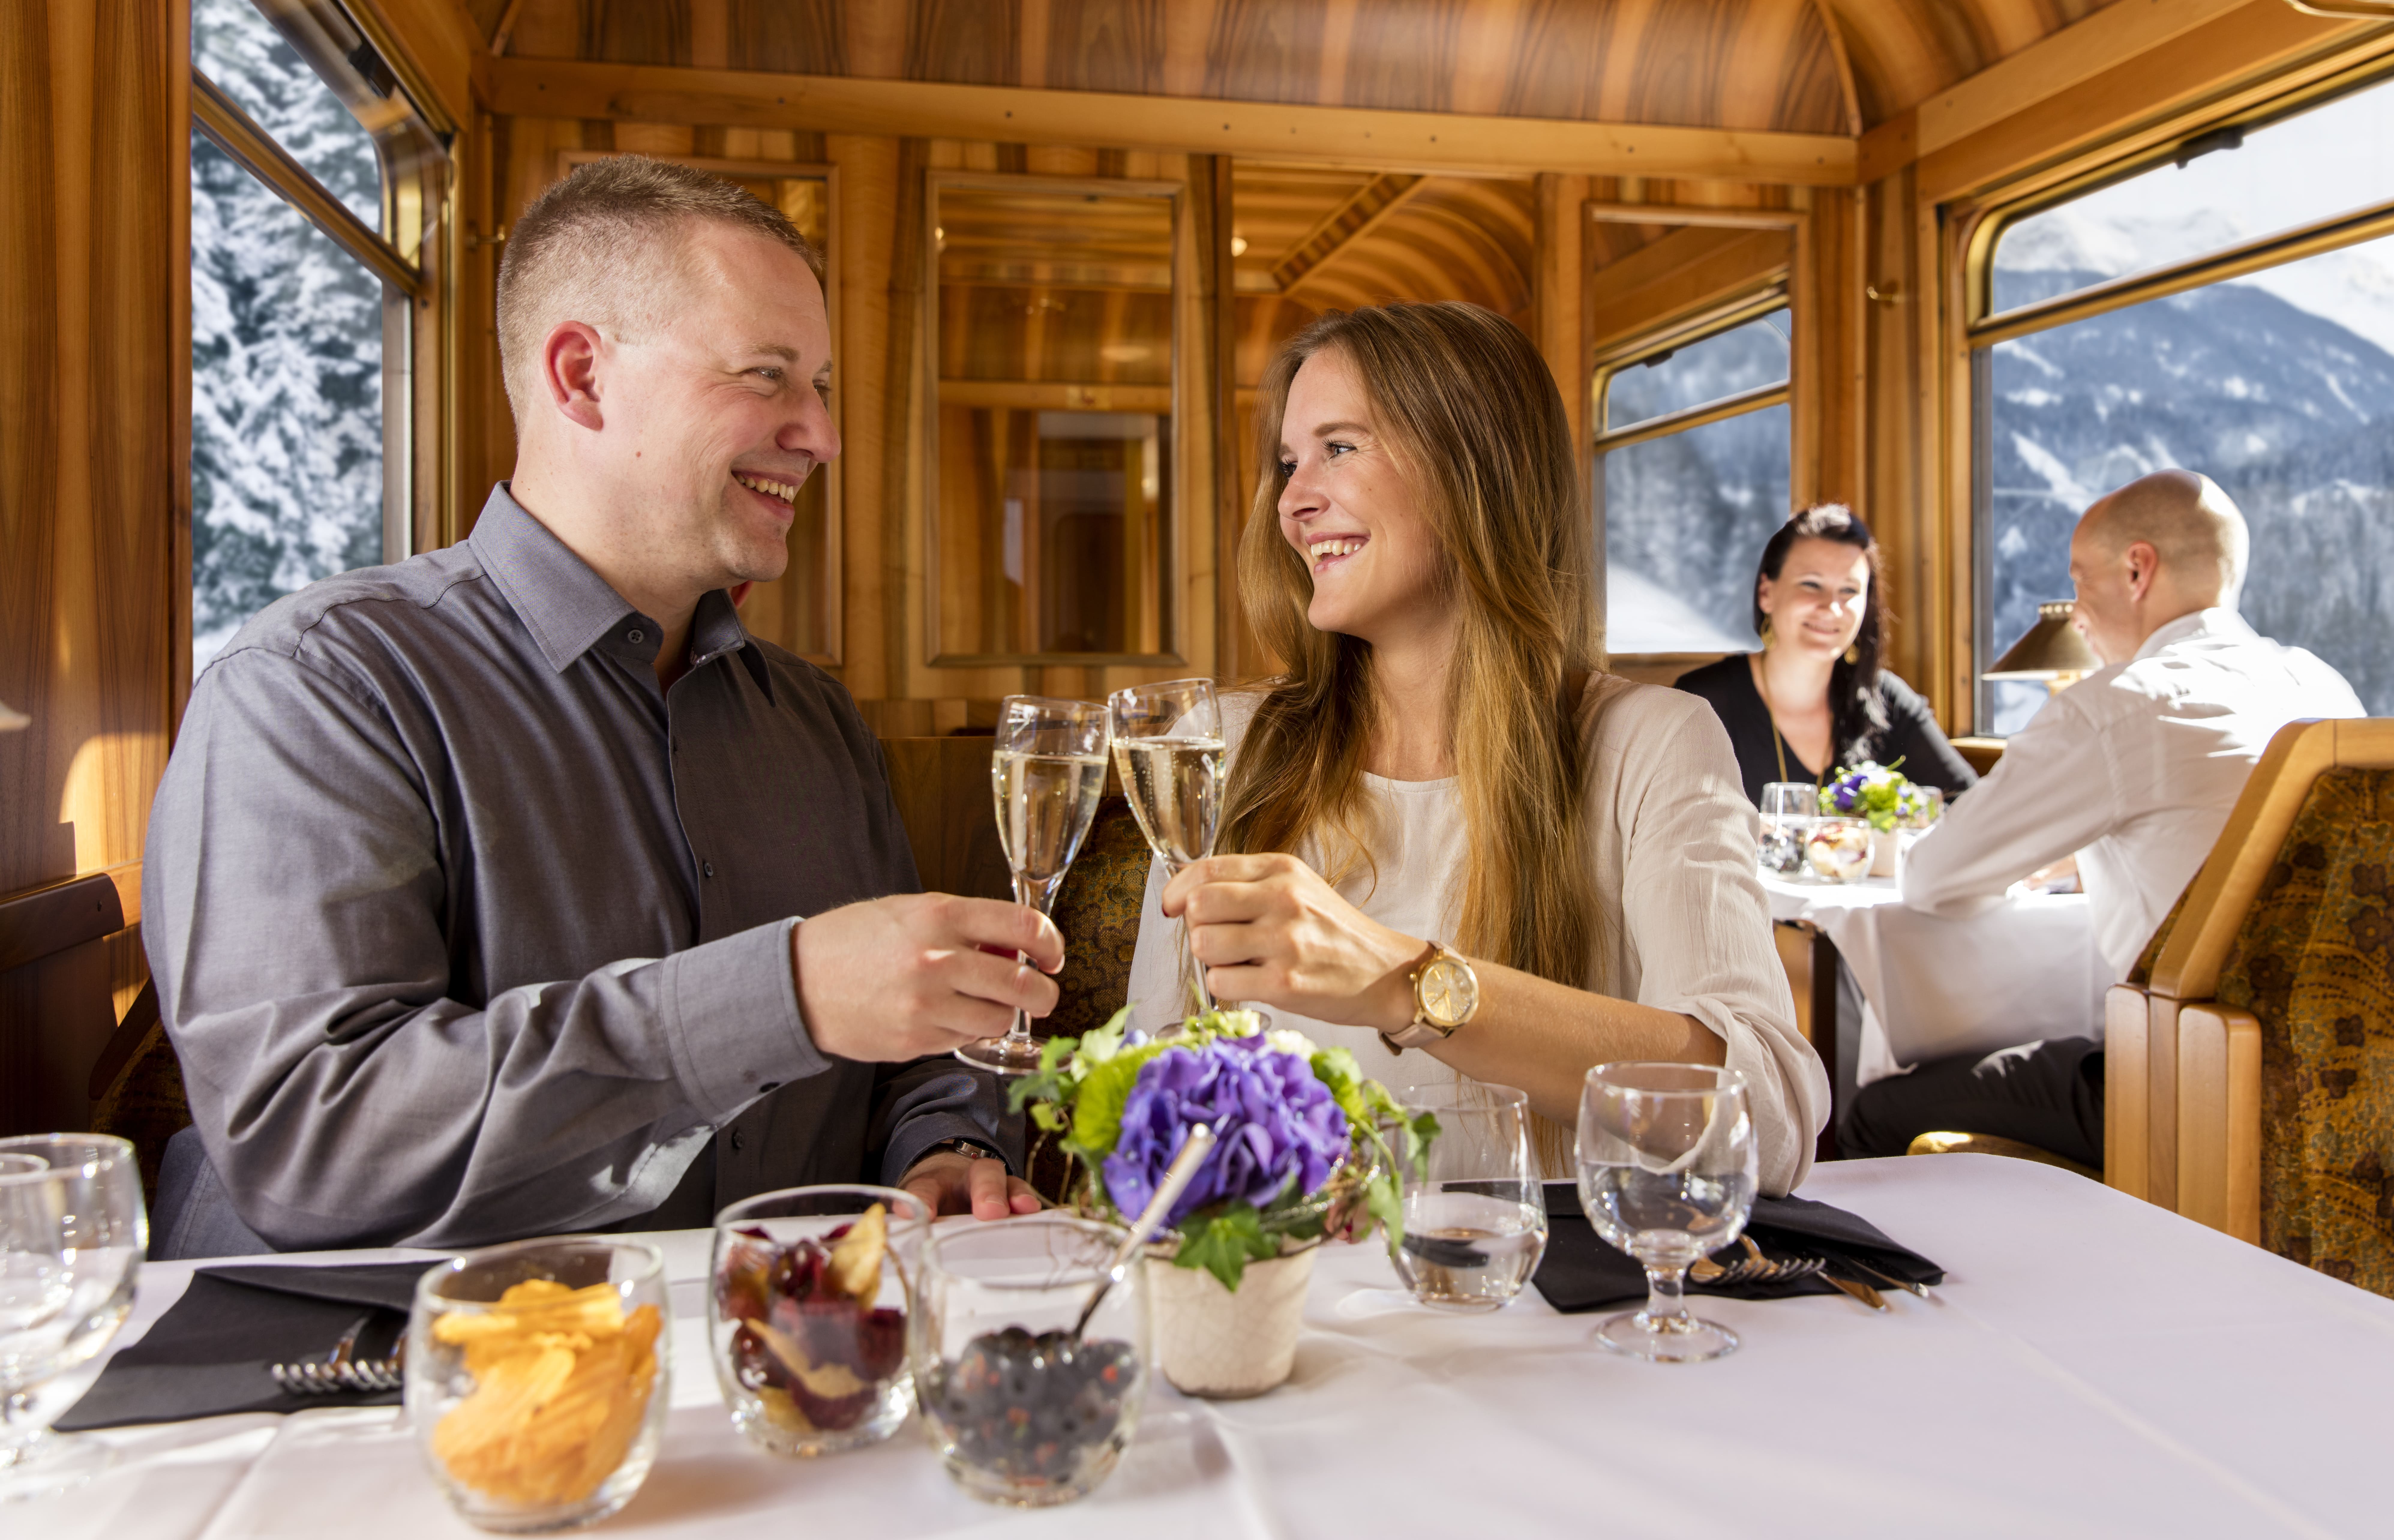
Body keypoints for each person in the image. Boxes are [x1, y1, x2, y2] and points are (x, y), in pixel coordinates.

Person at [143, 156, 1058, 1255]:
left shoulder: (815, 721)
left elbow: (913, 1049)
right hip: (391, 1359)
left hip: (775, 1350)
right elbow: (311, 1146)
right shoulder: (318, 687)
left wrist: (942, 1145)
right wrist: (782, 996)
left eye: (817, 387)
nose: (821, 435)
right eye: (766, 376)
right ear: (581, 376)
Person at [1127, 303, 1826, 1194]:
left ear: (1475, 466)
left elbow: (1764, 1125)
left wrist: (1406, 982)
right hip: (1292, 1277)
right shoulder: (1219, 744)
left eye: (1339, 447)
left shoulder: (1650, 743)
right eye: (1288, 463)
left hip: (1544, 1279)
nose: (1292, 502)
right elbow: (1145, 1085)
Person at [1842, 468, 2364, 1166]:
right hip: (2343, 1076)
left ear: (2136, 569)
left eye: (2078, 580)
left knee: (1876, 1113)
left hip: (2190, 1090)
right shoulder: (2323, 687)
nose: (2075, 612)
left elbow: (1933, 877)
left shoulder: (2120, 705)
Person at [1674, 505, 1977, 799]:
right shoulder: (1701, 701)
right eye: (1811, 584)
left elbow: (1970, 804)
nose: (1832, 608)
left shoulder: (1886, 699)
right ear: (1767, 593)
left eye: (1849, 590)